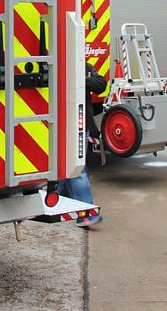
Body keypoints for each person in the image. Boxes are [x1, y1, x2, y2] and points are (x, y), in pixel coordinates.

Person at [59, 62, 107, 228]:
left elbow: (101, 84)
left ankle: (85, 214)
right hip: (68, 125)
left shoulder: (84, 66)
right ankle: (62, 205)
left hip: (80, 125)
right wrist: (84, 80)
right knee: (70, 167)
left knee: (75, 168)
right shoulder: (63, 65)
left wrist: (80, 80)